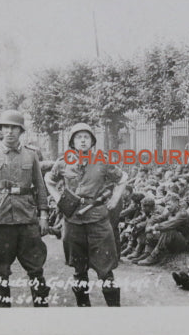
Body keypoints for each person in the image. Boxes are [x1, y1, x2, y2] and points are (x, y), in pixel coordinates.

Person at [45, 122, 128, 307]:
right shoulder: (63, 162)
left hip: (98, 221)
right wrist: (59, 198)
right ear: (72, 142)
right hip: (73, 222)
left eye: (86, 137)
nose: (82, 140)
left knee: (106, 271)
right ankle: (85, 312)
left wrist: (114, 200)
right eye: (78, 137)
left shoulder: (102, 160)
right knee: (78, 271)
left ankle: (116, 314)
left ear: (92, 141)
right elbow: (48, 180)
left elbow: (122, 178)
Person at [0, 110, 50, 307]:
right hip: (0, 219)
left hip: (27, 219)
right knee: (2, 271)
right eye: (6, 127)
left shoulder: (31, 154)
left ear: (20, 130)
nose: (10, 131)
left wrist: (43, 215)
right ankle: (4, 320)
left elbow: (40, 186)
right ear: (0, 130)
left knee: (36, 269)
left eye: (14, 127)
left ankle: (44, 316)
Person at [137, 193, 189, 266]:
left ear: (176, 203)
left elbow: (169, 225)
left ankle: (154, 256)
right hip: (176, 240)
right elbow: (159, 218)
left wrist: (153, 227)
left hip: (186, 244)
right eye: (166, 205)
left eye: (169, 204)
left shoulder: (182, 214)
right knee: (151, 232)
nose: (167, 207)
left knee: (168, 231)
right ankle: (147, 253)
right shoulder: (170, 211)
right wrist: (149, 224)